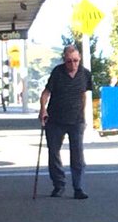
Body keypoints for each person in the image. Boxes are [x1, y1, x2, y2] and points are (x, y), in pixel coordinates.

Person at [39, 45, 94, 199]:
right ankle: (59, 184)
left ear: (80, 59)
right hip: (55, 119)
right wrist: (43, 109)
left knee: (77, 154)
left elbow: (83, 95)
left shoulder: (85, 74)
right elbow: (46, 92)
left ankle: (78, 187)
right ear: (64, 60)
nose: (73, 64)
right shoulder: (57, 72)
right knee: (53, 152)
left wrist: (83, 115)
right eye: (69, 61)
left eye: (76, 61)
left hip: (76, 120)